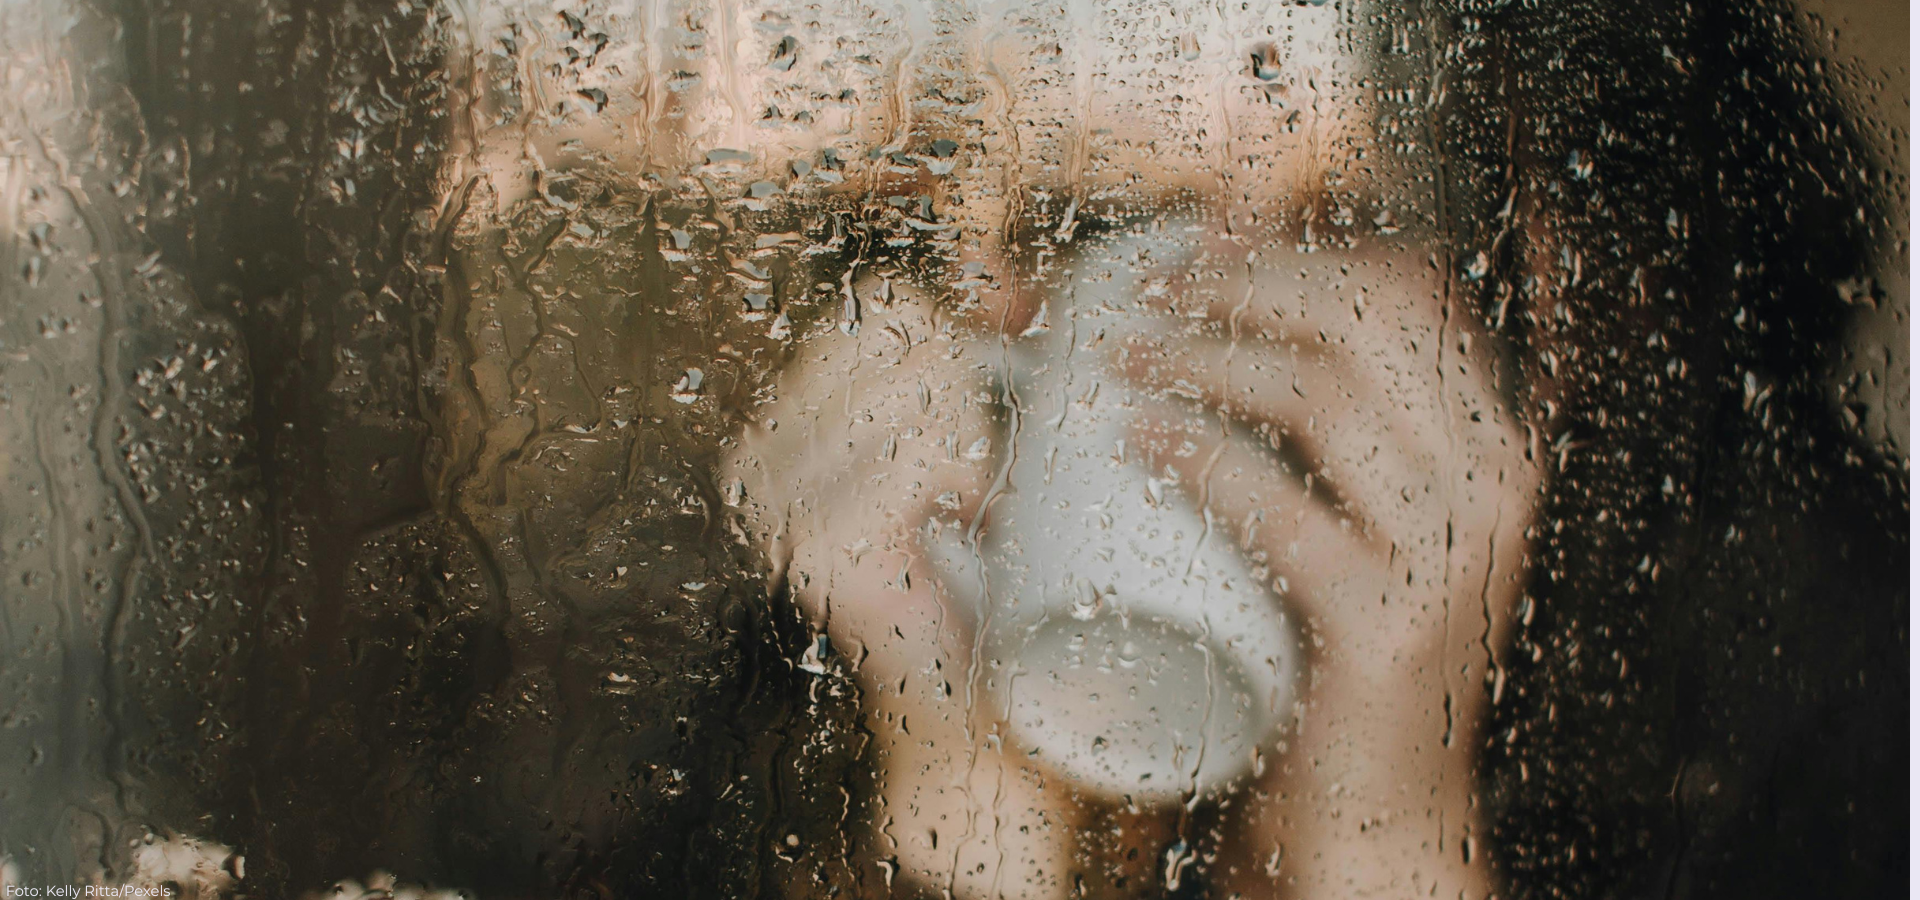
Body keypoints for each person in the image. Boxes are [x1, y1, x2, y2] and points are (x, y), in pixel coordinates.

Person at [0, 0, 1901, 897]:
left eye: (1295, 195)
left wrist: (1387, 837)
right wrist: (958, 812)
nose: (1062, 293)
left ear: (1542, 287)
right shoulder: (783, 673)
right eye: (1059, 218)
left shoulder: (1841, 701)